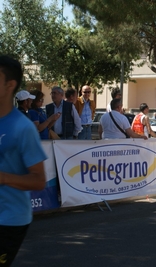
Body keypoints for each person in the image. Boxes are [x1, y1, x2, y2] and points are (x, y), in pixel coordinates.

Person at [0, 55, 47, 266]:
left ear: (9, 85)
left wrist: (2, 178)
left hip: (8, 220)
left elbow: (39, 181)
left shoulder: (23, 128)